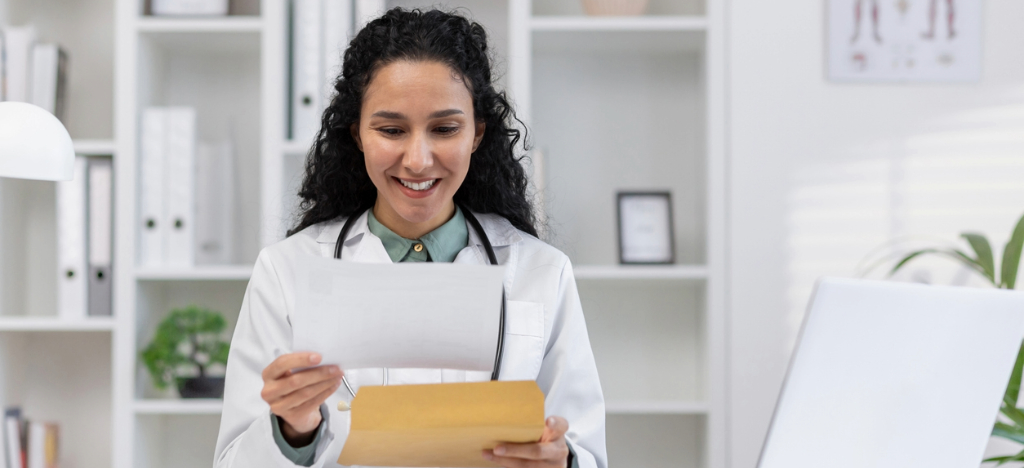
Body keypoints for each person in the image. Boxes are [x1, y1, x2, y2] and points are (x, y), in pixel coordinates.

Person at [214, 8, 606, 468]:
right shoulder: (286, 271)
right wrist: (291, 429)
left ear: (477, 133)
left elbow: (585, 449)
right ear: (357, 133)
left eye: (444, 129)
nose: (418, 160)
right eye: (391, 130)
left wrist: (561, 460)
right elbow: (233, 460)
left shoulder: (543, 274)